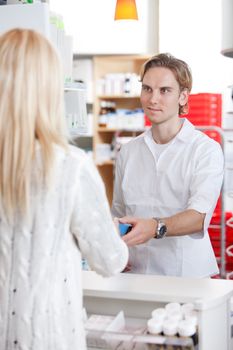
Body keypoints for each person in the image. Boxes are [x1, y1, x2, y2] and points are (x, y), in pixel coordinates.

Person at [0, 28, 128, 350]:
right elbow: (109, 261)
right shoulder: (70, 166)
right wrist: (110, 230)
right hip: (46, 335)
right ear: (48, 89)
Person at [112, 53, 224, 278]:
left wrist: (155, 227)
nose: (153, 99)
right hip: (135, 274)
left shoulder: (204, 150)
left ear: (183, 96)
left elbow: (198, 217)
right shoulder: (128, 152)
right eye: (147, 89)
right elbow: (119, 212)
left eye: (164, 90)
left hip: (186, 277)